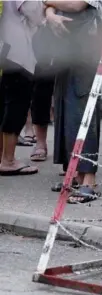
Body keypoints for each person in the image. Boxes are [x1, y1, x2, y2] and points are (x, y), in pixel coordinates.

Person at [45, 1, 102, 203]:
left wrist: (46, 3)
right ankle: (72, 174)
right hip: (66, 45)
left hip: (87, 46)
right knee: (65, 108)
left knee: (83, 107)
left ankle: (88, 180)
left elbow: (77, 4)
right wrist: (50, 14)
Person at [0, 0, 45, 176]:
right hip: (17, 49)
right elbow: (32, 9)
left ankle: (3, 156)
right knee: (16, 102)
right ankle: (8, 160)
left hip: (5, 46)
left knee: (4, 99)